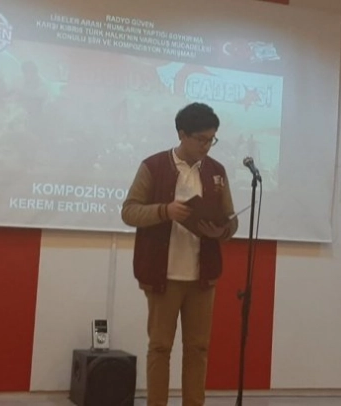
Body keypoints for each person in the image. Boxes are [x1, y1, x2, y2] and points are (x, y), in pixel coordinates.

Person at [121, 102, 239, 406]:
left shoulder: (216, 172)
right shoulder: (153, 166)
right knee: (160, 348)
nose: (206, 146)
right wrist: (165, 211)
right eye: (200, 139)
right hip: (164, 275)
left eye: (211, 139)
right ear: (182, 134)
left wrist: (222, 231)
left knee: (198, 348)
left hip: (202, 276)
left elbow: (230, 218)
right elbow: (129, 212)